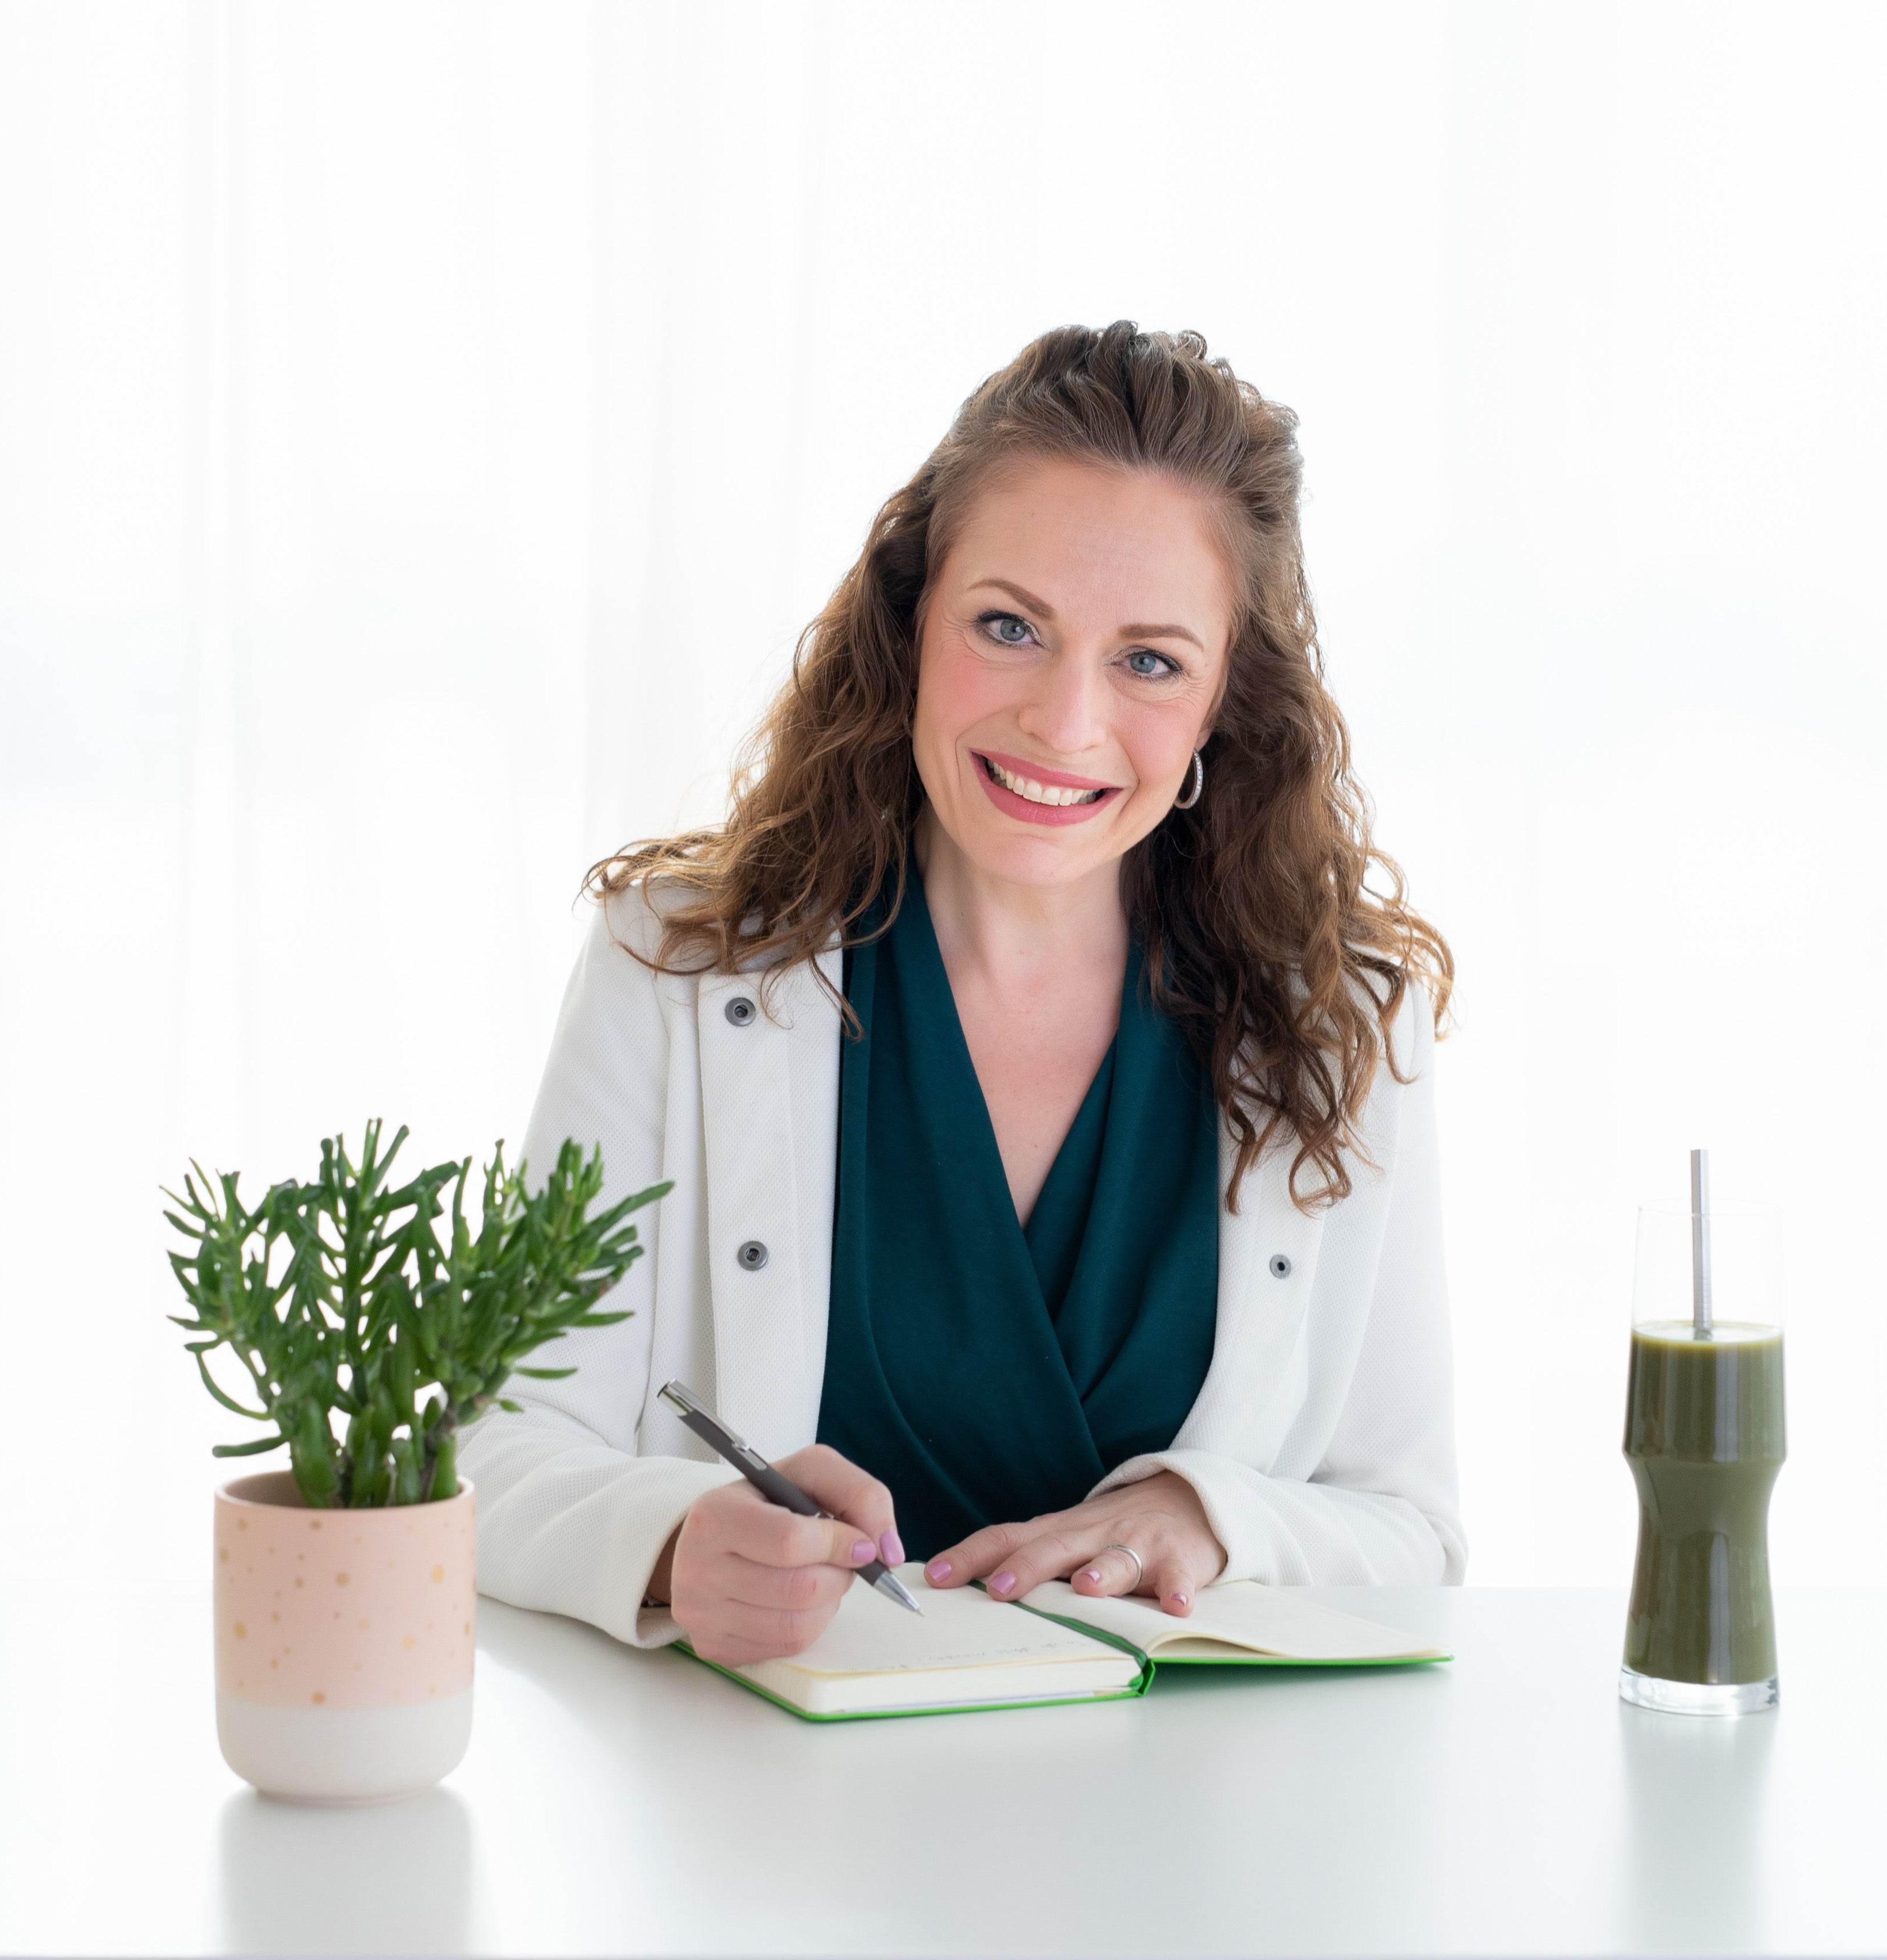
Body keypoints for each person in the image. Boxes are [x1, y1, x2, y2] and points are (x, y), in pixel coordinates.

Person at [462, 322, 1465, 1669]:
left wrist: (1210, 1519)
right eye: (1010, 627)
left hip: (1195, 1834)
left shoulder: (1344, 1017)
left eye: (1150, 660)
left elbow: (1412, 1529)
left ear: (1229, 700)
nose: (1062, 723)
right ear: (910, 623)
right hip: (777, 1826)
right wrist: (668, 1539)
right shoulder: (677, 969)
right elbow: (495, 1447)